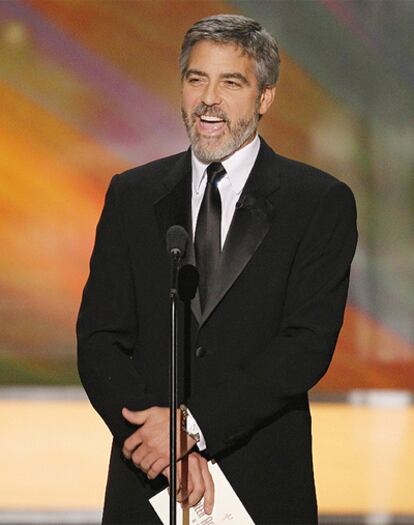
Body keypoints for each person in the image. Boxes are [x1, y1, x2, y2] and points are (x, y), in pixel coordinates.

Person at [77, 14, 357, 525]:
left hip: (261, 482)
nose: (209, 98)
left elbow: (305, 345)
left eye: (231, 82)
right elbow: (99, 338)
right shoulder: (132, 195)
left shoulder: (318, 203)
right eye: (196, 79)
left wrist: (191, 430)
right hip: (148, 480)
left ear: (264, 97)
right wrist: (157, 444)